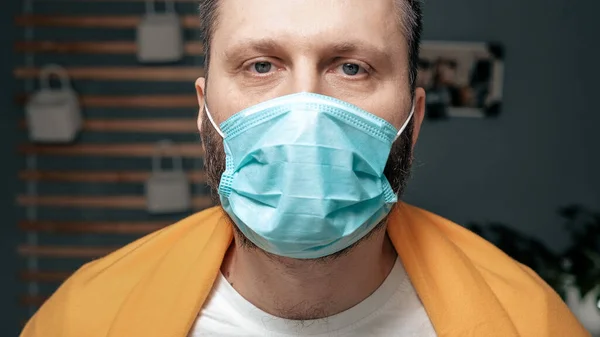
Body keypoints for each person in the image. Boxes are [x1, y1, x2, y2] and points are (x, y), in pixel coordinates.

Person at [20, 0, 590, 336]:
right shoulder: (83, 318)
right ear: (203, 114)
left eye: (351, 68)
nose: (303, 117)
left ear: (412, 121)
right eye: (261, 65)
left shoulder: (528, 321)